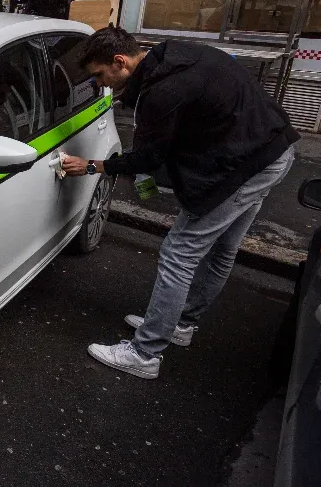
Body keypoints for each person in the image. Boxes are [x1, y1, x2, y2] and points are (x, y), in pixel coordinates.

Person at [60, 26, 299, 380]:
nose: (101, 85)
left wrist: (95, 166)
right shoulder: (175, 55)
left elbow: (147, 158)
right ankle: (181, 323)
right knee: (223, 249)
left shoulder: (163, 92)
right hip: (274, 149)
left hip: (244, 167)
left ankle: (145, 352)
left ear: (119, 61)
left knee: (179, 253)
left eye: (99, 75)